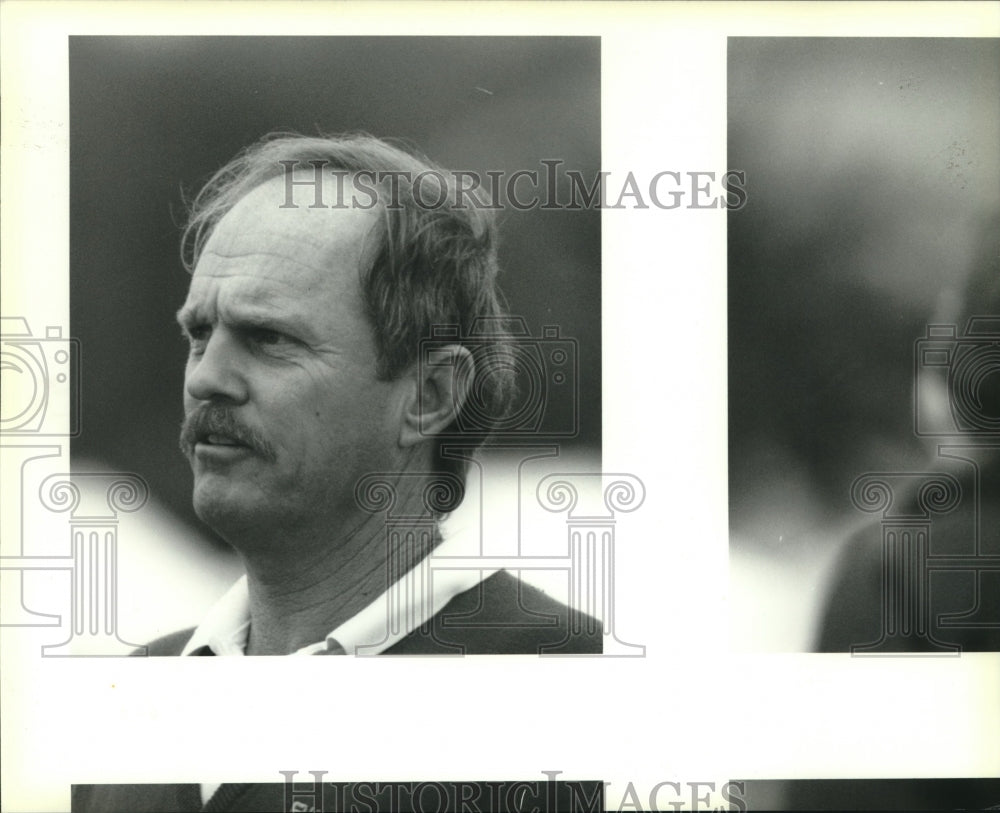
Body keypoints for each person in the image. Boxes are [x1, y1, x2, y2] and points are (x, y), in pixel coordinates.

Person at [147, 133, 601, 659]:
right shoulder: (136, 688)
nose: (206, 379)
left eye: (269, 338)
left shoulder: (573, 674)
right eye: (200, 334)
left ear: (429, 395)